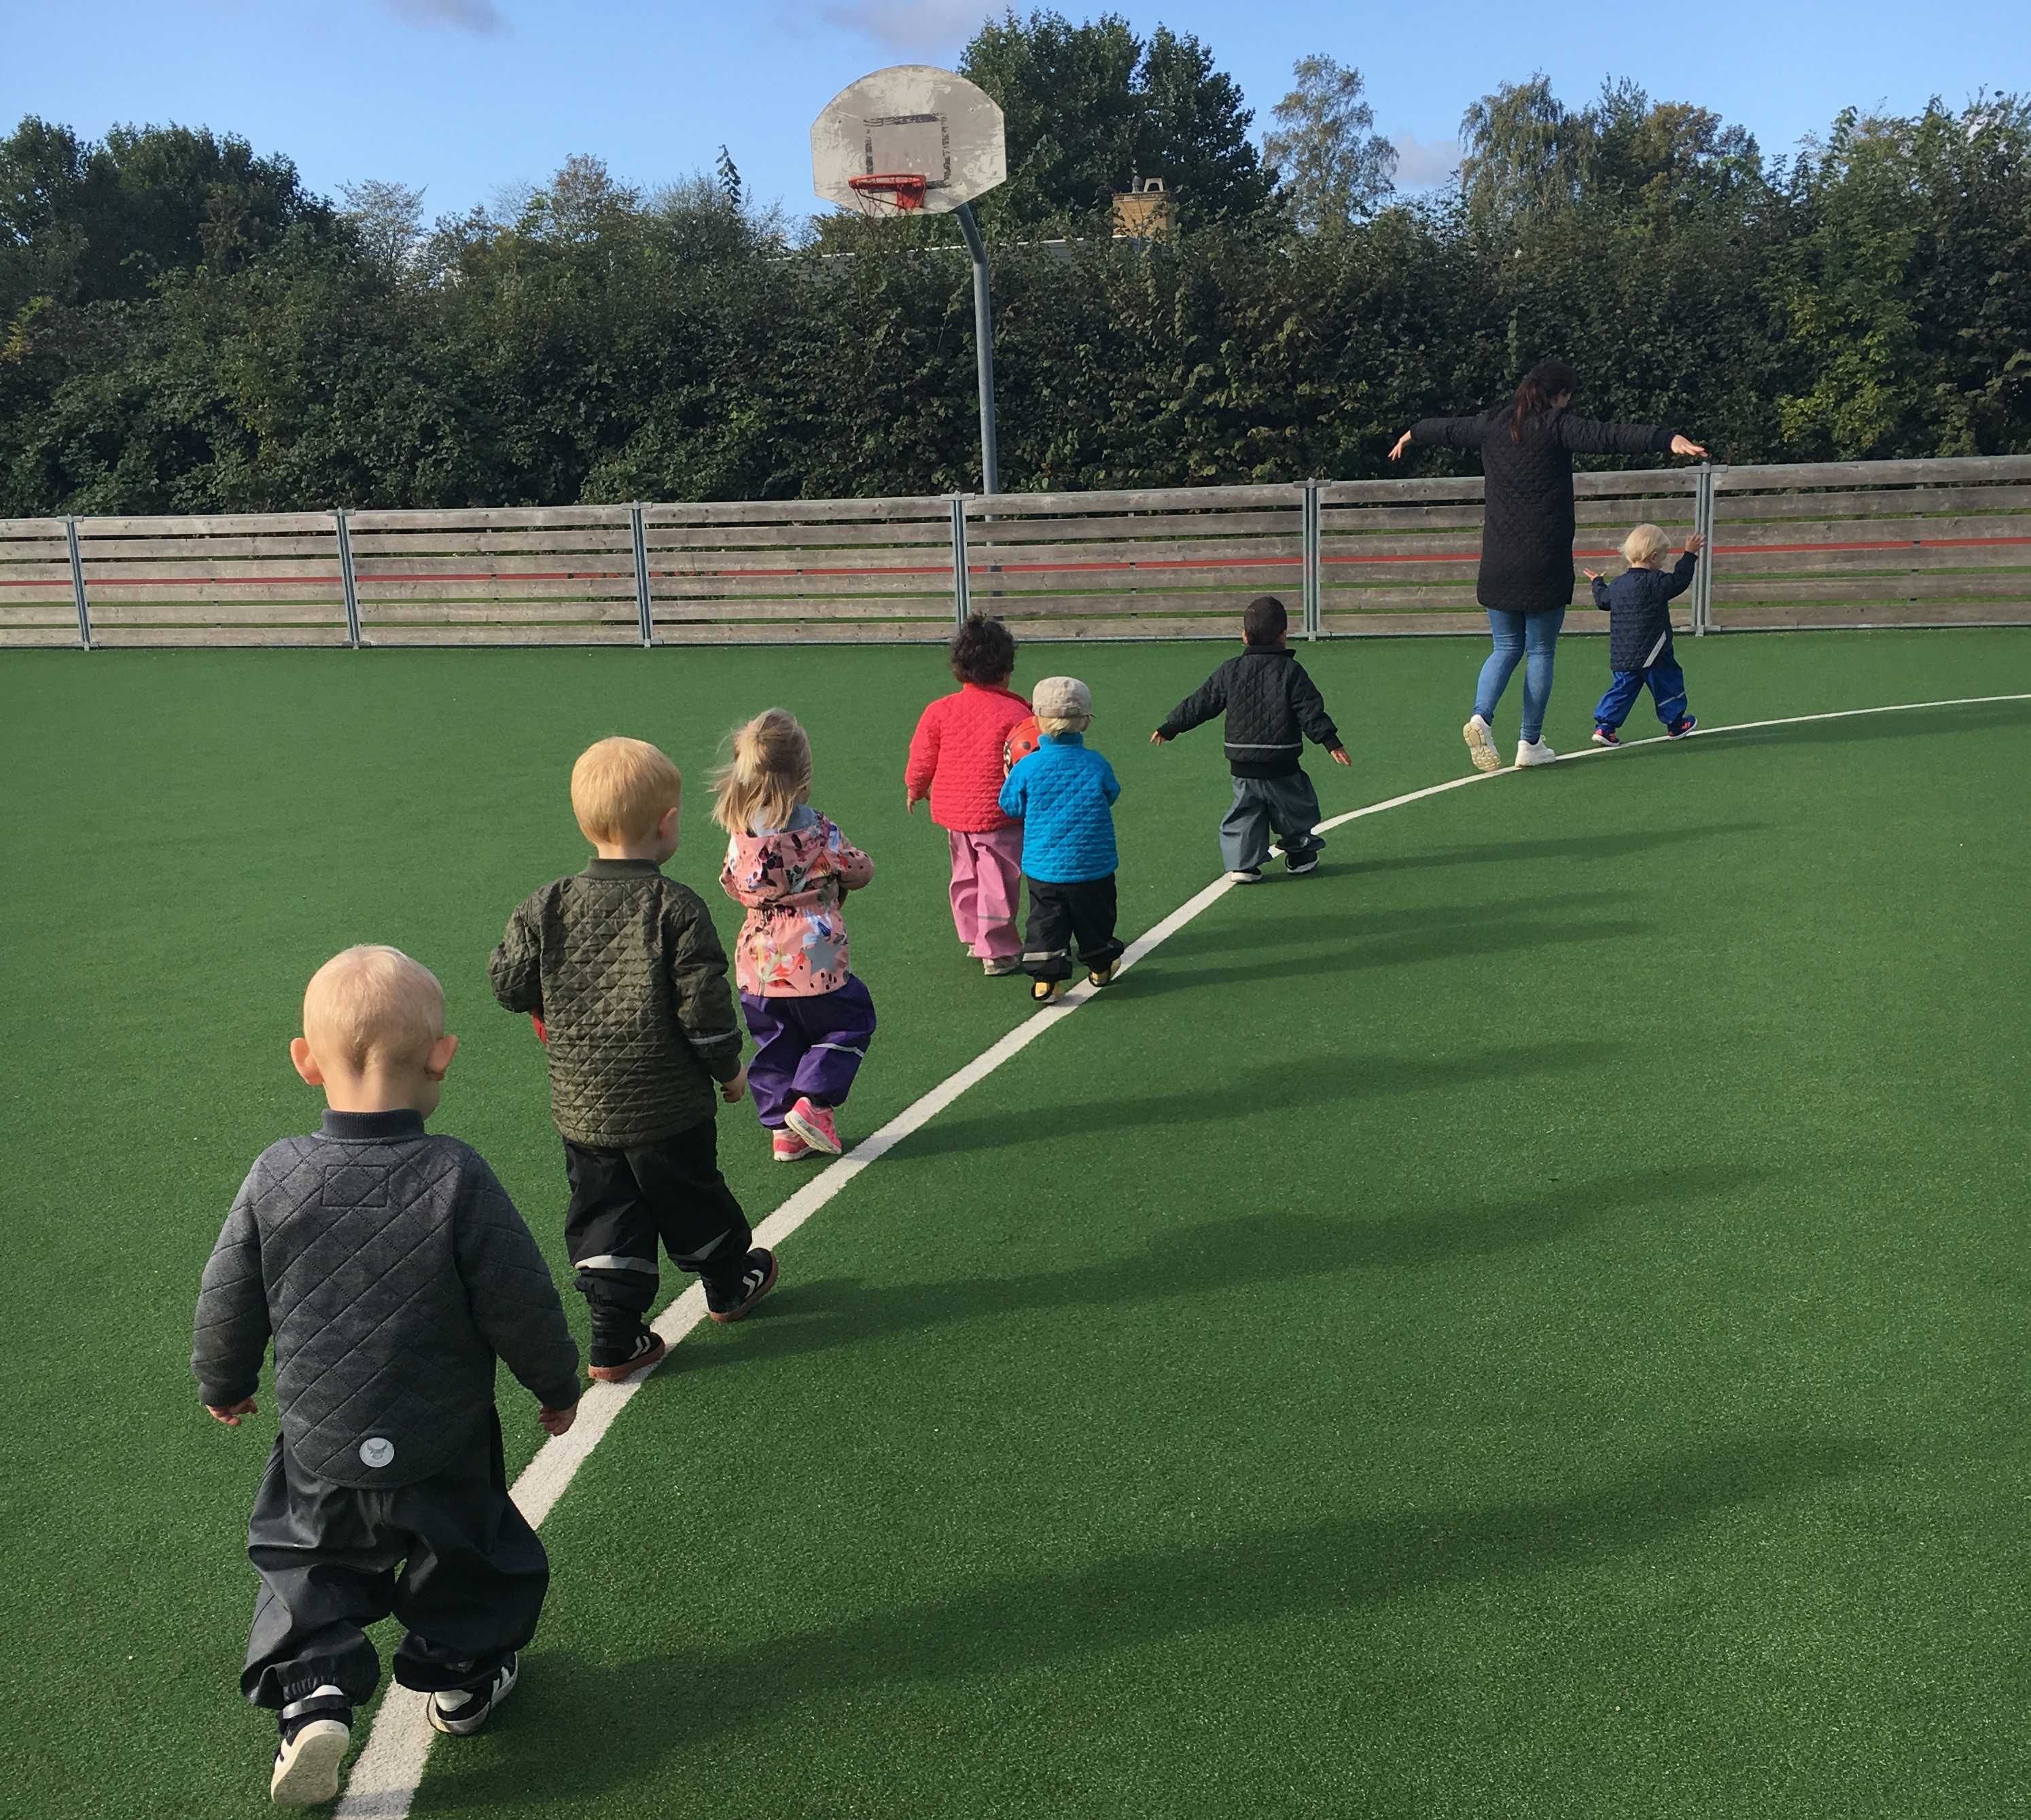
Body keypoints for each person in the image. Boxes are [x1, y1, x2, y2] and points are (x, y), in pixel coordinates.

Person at [193, 946, 582, 1808]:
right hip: (442, 1436)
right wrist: (556, 1384)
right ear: (442, 1056)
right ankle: (462, 1678)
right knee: (466, 1556)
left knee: (309, 1561)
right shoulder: (455, 1174)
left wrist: (222, 1380)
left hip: (321, 1436)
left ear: (305, 1059)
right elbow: (518, 1297)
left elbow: (229, 1295)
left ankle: (315, 1694)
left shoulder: (277, 1174)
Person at [489, 736, 774, 1385]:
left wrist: (551, 999)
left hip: (583, 1107)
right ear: (667, 823)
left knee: (603, 1211)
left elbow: (506, 984)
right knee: (692, 1196)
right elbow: (701, 1008)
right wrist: (728, 1071)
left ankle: (614, 1337)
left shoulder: (546, 904)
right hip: (667, 1104)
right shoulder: (675, 907)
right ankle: (729, 1284)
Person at [1387, 359, 1707, 771]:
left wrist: (1412, 433)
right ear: (1560, 396)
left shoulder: (1493, 423)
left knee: (1504, 647)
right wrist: (1668, 439)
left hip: (1498, 561)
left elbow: (1447, 428)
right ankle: (1530, 742)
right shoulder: (1558, 425)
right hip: (1545, 562)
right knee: (1540, 650)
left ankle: (1480, 716)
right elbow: (1610, 436)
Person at [716, 709, 878, 1162]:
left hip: (758, 965)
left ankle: (783, 1130)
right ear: (802, 781)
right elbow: (858, 868)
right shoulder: (818, 831)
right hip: (815, 959)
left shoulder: (740, 835)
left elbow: (731, 883)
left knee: (775, 1041)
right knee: (850, 1021)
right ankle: (814, 1100)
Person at [1150, 594, 1352, 882]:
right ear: (1284, 635)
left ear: (1244, 637)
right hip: (1281, 760)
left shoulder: (1230, 670)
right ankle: (1300, 855)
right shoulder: (1291, 671)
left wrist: (1172, 726)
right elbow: (1310, 711)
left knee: (1245, 812)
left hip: (1242, 759)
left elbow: (1203, 702)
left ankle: (1243, 864)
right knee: (1294, 808)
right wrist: (1331, 742)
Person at [905, 613, 1032, 976]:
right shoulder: (1017, 712)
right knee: (998, 880)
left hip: (954, 811)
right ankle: (998, 949)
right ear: (1006, 669)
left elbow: (922, 756)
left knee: (965, 874)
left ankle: (974, 936)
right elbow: (1028, 761)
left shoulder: (940, 710)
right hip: (999, 814)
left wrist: (916, 787)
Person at [999, 675, 1125, 1003]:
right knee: (1095, 917)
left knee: (1045, 920)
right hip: (1093, 864)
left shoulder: (1028, 767)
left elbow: (1010, 805)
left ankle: (1046, 981)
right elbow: (1111, 793)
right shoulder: (1095, 763)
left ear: (1037, 722)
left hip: (1045, 865)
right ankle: (1100, 965)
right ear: (1085, 722)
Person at [1584, 527, 1706, 745]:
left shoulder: (1619, 584)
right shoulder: (1655, 582)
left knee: (1622, 689)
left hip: (1623, 653)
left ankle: (1605, 727)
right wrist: (1690, 555)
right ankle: (1676, 724)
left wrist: (1597, 583)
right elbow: (1679, 581)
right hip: (1655, 650)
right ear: (1655, 556)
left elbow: (1603, 601)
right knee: (1668, 682)